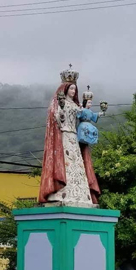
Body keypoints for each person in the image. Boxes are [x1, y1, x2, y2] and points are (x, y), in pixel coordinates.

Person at [39, 68, 100, 206]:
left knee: (77, 165)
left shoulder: (76, 105)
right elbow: (57, 118)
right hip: (64, 136)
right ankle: (61, 191)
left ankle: (81, 194)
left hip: (74, 138)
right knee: (65, 163)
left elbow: (84, 115)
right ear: (65, 89)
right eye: (71, 88)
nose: (73, 91)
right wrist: (60, 111)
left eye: (75, 89)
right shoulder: (60, 103)